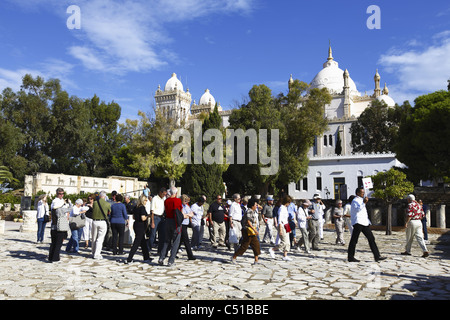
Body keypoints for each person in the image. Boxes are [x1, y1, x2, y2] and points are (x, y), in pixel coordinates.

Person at [347, 187, 386, 262]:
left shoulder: (361, 200)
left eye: (363, 192)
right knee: (354, 240)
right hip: (358, 222)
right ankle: (350, 257)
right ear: (358, 193)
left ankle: (377, 256)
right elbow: (358, 209)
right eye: (362, 192)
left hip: (364, 222)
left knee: (371, 238)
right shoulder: (355, 201)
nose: (363, 194)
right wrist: (364, 203)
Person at [158, 186, 184, 266]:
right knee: (176, 241)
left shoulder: (166, 201)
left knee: (166, 241)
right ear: (176, 193)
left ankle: (161, 257)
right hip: (175, 221)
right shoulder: (177, 200)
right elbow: (179, 211)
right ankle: (171, 260)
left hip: (168, 220)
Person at [231, 198, 261, 264]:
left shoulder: (253, 211)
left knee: (256, 245)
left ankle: (256, 260)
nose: (257, 206)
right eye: (256, 205)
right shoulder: (249, 211)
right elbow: (248, 221)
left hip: (252, 231)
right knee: (244, 246)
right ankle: (234, 257)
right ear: (252, 205)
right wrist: (254, 229)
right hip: (247, 231)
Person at [123, 195, 151, 264]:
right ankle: (129, 258)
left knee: (143, 242)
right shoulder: (142, 208)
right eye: (145, 200)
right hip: (141, 226)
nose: (146, 202)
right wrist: (148, 216)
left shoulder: (136, 207)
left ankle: (146, 257)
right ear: (142, 200)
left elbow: (134, 217)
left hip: (136, 225)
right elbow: (143, 218)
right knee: (136, 243)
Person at [48, 188, 71, 263]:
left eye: (62, 194)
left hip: (56, 224)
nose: (61, 195)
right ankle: (55, 258)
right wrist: (69, 203)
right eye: (59, 194)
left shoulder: (58, 203)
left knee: (54, 243)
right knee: (57, 243)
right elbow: (69, 209)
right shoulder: (56, 204)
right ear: (57, 194)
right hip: (59, 225)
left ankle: (51, 257)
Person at [269, 196, 293, 261]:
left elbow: (286, 220)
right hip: (282, 226)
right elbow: (280, 219)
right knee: (284, 242)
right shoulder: (281, 208)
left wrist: (289, 228)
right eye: (289, 202)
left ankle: (285, 255)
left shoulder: (285, 208)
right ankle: (272, 249)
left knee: (288, 243)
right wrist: (280, 229)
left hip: (286, 225)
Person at [91, 191, 111, 260]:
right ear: (105, 196)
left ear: (99, 196)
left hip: (94, 221)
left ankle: (93, 252)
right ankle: (97, 254)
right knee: (100, 238)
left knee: (94, 238)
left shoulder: (95, 203)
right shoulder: (107, 204)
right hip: (102, 221)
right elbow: (109, 212)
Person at [148, 187, 167, 253]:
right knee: (153, 234)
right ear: (160, 192)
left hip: (162, 217)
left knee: (161, 234)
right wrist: (152, 222)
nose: (164, 195)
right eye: (163, 194)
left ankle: (160, 250)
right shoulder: (155, 199)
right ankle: (149, 248)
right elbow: (152, 211)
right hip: (155, 217)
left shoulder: (164, 199)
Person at [178, 194, 195, 260]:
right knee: (186, 240)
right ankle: (190, 255)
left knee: (180, 240)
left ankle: (174, 252)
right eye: (185, 201)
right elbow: (183, 215)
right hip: (182, 224)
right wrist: (188, 215)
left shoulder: (186, 206)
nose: (186, 202)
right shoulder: (180, 206)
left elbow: (192, 214)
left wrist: (187, 215)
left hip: (186, 224)